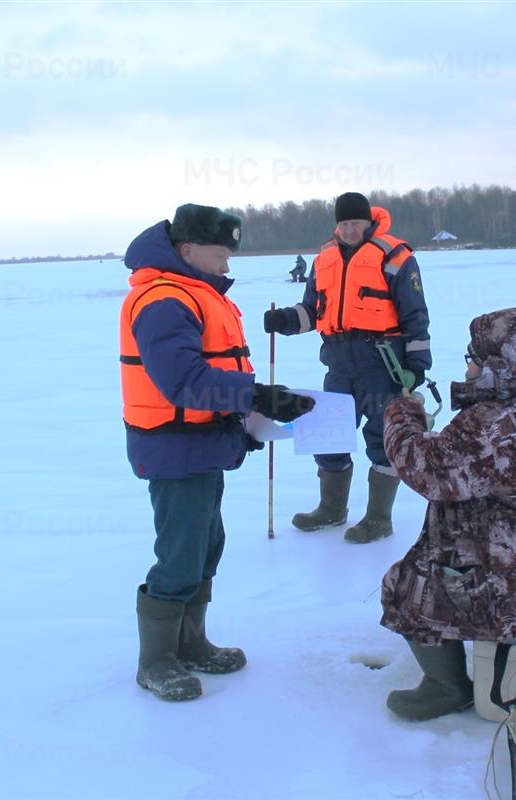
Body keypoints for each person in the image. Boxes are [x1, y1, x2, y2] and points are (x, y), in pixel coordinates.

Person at [121, 203, 315, 701]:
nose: (228, 264)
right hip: (173, 448)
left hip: (202, 445)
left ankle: (191, 643)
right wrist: (255, 394)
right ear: (187, 251)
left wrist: (256, 410)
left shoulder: (199, 294)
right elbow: (183, 381)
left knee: (207, 546)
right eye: (220, 253)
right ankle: (156, 660)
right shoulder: (164, 300)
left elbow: (217, 372)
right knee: (181, 553)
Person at [378, 307, 516, 721]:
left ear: (497, 363)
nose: (469, 364)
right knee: (446, 529)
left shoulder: (496, 422)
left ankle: (445, 688)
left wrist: (401, 415)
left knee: (404, 583)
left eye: (473, 355)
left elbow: (426, 470)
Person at [263, 192, 432, 544]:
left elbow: (415, 315)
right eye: (344, 224)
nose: (350, 230)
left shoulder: (395, 256)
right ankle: (332, 509)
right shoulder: (324, 258)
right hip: (338, 361)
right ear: (335, 225)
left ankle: (378, 519)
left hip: (382, 361)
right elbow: (312, 310)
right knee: (329, 432)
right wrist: (286, 320)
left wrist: (416, 366)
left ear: (368, 222)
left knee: (381, 438)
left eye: (356, 223)